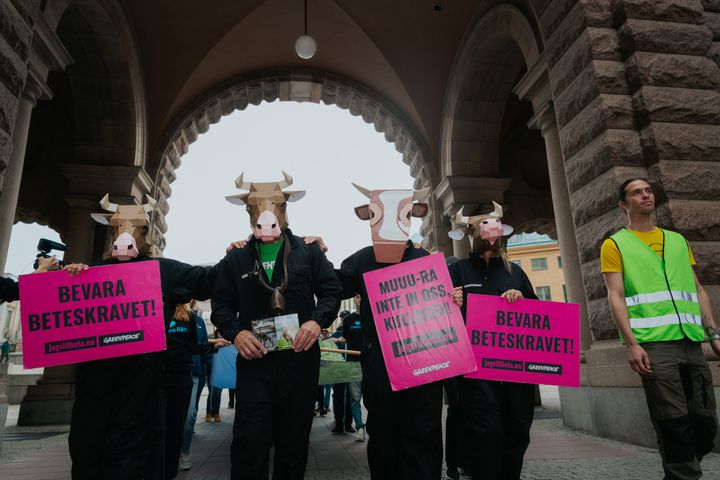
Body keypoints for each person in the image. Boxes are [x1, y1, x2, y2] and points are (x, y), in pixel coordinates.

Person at [65, 195, 219, 480]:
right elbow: (58, 308)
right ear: (109, 231)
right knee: (88, 447)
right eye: (117, 228)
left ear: (146, 234)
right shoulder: (89, 273)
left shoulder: (164, 271)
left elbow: (207, 280)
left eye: (139, 228)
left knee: (133, 451)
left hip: (140, 383)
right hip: (95, 384)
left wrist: (241, 251)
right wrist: (68, 275)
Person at [211, 172, 341, 479]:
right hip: (255, 364)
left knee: (294, 445)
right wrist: (236, 332)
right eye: (254, 209)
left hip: (299, 360)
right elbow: (221, 305)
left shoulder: (308, 252)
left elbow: (331, 291)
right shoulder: (235, 259)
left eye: (275, 207)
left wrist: (316, 321)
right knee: (249, 443)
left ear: (285, 209)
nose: (266, 215)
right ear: (249, 214)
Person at [601, 178, 720, 480]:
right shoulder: (615, 244)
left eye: (648, 191)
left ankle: (680, 470)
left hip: (691, 343)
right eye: (636, 193)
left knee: (706, 425)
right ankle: (682, 474)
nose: (645, 195)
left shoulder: (677, 240)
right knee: (674, 422)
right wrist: (631, 344)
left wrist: (713, 332)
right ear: (623, 204)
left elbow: (698, 290)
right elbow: (615, 296)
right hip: (654, 346)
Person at [334, 184, 443, 479]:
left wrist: (454, 299)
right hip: (381, 365)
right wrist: (309, 251)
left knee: (424, 430)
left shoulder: (427, 260)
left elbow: (444, 309)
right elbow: (333, 287)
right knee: (383, 431)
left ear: (411, 216)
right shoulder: (360, 261)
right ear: (371, 218)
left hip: (425, 361)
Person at [448, 201, 538, 480]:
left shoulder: (515, 272)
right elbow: (440, 316)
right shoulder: (458, 270)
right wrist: (451, 301)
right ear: (470, 234)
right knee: (485, 431)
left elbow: (537, 313)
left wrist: (522, 300)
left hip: (515, 370)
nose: (489, 235)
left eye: (493, 228)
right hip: (476, 371)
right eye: (481, 228)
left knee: (517, 427)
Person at [156, 302, 229, 479]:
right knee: (159, 426)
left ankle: (175, 463)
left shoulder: (191, 317)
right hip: (158, 377)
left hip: (183, 376)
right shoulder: (157, 310)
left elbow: (195, 345)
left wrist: (212, 345)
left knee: (184, 421)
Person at [180, 306, 218, 471]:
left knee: (189, 417)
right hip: (166, 374)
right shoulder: (163, 314)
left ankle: (184, 452)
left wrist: (212, 370)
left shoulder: (198, 320)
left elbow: (201, 346)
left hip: (193, 374)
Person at [335, 301, 366, 441]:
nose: (360, 300)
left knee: (374, 397)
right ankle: (360, 427)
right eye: (357, 297)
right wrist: (333, 340)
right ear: (355, 299)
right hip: (353, 363)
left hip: (370, 363)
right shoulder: (348, 320)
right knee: (354, 398)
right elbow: (344, 338)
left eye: (361, 296)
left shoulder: (372, 316)